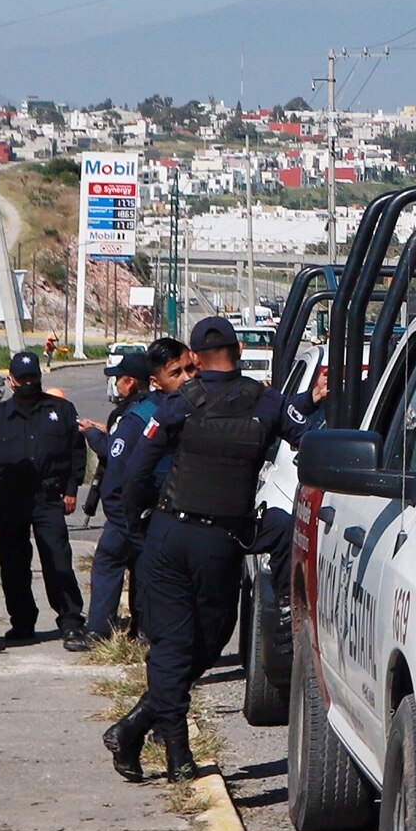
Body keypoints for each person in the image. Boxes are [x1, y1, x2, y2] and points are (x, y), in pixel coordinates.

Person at [107, 316, 307, 782]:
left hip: (170, 534)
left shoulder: (179, 404)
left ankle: (140, 730)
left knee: (174, 645)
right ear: (238, 348)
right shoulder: (266, 402)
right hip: (220, 542)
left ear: (194, 357)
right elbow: (309, 440)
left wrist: (138, 529)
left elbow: (137, 470)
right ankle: (176, 758)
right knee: (209, 637)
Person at [0, 349, 90, 649]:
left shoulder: (62, 410)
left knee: (58, 560)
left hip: (48, 496)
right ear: (12, 380)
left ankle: (70, 623)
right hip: (10, 498)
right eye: (23, 378)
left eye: (33, 377)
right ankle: (22, 623)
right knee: (13, 564)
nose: (29, 382)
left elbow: (76, 452)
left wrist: (71, 489)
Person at [82, 341, 188, 645]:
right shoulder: (172, 408)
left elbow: (118, 469)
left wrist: (119, 513)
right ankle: (145, 630)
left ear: (130, 381)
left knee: (109, 561)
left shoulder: (137, 416)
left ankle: (99, 630)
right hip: (164, 506)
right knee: (145, 569)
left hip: (132, 510)